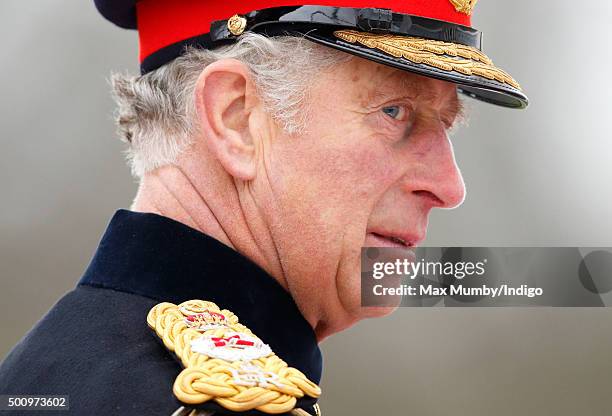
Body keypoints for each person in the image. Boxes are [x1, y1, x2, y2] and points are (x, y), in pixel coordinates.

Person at [0, 0, 528, 415]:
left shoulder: (46, 372)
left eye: (447, 124)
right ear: (237, 119)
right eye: (394, 112)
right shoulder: (206, 401)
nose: (449, 185)